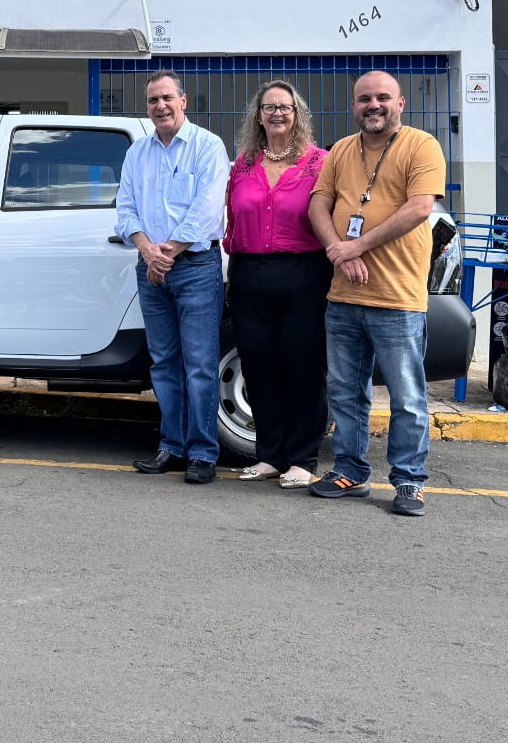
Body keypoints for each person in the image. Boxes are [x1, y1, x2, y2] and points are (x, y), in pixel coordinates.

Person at [307, 70, 446, 516]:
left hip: (398, 297)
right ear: (354, 106)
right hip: (343, 297)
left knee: (407, 396)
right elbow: (318, 204)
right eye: (365, 99)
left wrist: (358, 245)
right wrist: (338, 251)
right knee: (346, 391)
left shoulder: (421, 146)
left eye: (383, 97)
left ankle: (408, 481)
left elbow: (420, 208)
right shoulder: (341, 151)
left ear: (400, 103)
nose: (374, 105)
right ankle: (349, 469)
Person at [115, 70, 229, 484]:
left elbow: (207, 208)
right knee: (163, 362)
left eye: (167, 98)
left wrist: (168, 252)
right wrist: (149, 251)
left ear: (183, 101)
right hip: (151, 269)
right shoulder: (137, 153)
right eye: (152, 101)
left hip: (196, 267)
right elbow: (125, 208)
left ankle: (202, 453)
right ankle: (172, 447)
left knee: (199, 364)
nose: (160, 106)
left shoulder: (207, 146)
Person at [223, 81, 329, 489]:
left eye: (285, 107)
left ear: (297, 114)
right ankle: (269, 456)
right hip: (250, 272)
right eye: (269, 107)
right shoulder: (244, 164)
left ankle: (302, 458)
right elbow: (232, 220)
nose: (277, 114)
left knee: (302, 365)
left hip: (304, 273)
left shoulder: (319, 162)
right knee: (258, 364)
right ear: (258, 115)